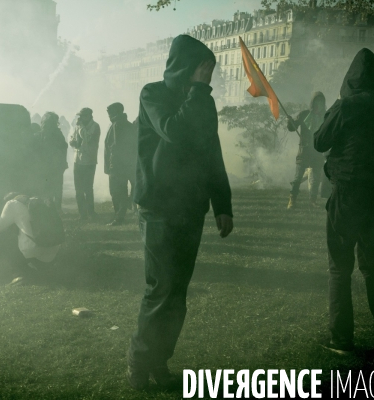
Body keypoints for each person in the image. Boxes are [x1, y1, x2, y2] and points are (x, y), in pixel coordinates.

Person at [127, 34, 233, 390]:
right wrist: (199, 93)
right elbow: (174, 130)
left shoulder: (202, 101)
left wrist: (223, 206)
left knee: (177, 293)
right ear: (186, 67)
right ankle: (139, 364)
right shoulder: (152, 94)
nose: (207, 78)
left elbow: (212, 153)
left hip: (191, 207)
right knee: (161, 288)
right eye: (202, 71)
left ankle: (159, 361)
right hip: (158, 206)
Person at [314, 48, 374, 356]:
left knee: (340, 268)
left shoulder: (346, 106)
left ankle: (340, 339)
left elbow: (320, 142)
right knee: (372, 265)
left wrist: (335, 110)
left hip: (347, 193)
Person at [0, 193, 62, 282]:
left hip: (33, 256)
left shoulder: (11, 204)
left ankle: (19, 274)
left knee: (3, 236)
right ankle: (39, 270)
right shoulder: (37, 201)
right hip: (53, 253)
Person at [286, 91, 327, 209]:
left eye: (321, 102)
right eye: (316, 101)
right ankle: (292, 200)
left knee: (315, 179)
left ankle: (312, 201)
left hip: (317, 151)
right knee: (297, 177)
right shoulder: (304, 114)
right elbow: (292, 128)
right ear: (313, 103)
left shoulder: (325, 117)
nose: (318, 104)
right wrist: (290, 122)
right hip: (304, 151)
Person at [104, 102, 136, 226]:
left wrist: (112, 165)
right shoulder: (126, 124)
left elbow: (116, 146)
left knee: (116, 192)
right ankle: (121, 213)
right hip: (124, 164)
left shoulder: (117, 124)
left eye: (109, 112)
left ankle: (119, 218)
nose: (108, 115)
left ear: (115, 112)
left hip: (117, 165)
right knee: (120, 191)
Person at [69, 108, 100, 220]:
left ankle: (91, 212)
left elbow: (87, 139)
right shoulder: (78, 125)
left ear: (89, 116)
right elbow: (74, 139)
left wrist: (80, 127)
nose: (80, 118)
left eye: (83, 116)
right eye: (80, 116)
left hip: (89, 161)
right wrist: (72, 141)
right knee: (78, 190)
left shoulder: (95, 127)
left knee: (88, 188)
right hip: (78, 160)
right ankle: (82, 214)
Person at [37, 112, 68, 212]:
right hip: (55, 166)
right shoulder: (57, 134)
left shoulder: (43, 134)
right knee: (56, 189)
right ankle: (55, 210)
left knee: (48, 188)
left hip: (49, 165)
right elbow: (64, 148)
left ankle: (50, 209)